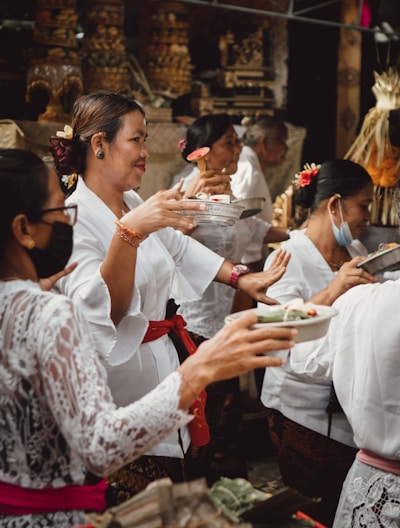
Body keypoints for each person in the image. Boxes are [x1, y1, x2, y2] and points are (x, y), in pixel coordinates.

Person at [0, 148, 298, 528]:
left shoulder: (30, 304)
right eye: (59, 211)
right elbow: (101, 447)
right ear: (23, 229)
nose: (67, 222)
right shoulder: (49, 313)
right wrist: (201, 370)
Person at [48, 90, 292, 505]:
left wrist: (240, 278)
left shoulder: (132, 201)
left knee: (175, 489)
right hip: (120, 384)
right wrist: (128, 234)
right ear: (100, 145)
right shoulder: (75, 220)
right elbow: (108, 310)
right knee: (138, 501)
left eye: (145, 140)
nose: (145, 151)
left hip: (165, 363)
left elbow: (177, 248)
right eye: (137, 140)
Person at [258, 158, 379, 527]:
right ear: (334, 205)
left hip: (350, 408)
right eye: (363, 205)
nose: (368, 216)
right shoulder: (287, 256)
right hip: (302, 416)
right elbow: (275, 328)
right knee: (316, 513)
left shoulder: (356, 252)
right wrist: (334, 289)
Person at [172, 113, 289, 481]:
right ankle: (196, 476)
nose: (237, 148)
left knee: (225, 396)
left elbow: (253, 229)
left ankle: (214, 472)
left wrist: (302, 235)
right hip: (195, 316)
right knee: (202, 403)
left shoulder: (229, 193)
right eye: (229, 142)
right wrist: (184, 216)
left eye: (237, 142)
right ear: (204, 150)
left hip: (228, 310)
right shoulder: (184, 191)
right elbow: (170, 248)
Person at [287, 273, 400, 527]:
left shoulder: (362, 301)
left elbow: (303, 355)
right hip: (379, 487)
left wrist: (331, 292)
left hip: (376, 488)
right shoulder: (364, 299)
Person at [230, 114, 289, 270]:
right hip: (242, 265)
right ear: (264, 142)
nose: (285, 150)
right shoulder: (249, 172)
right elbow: (241, 225)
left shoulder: (249, 165)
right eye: (282, 142)